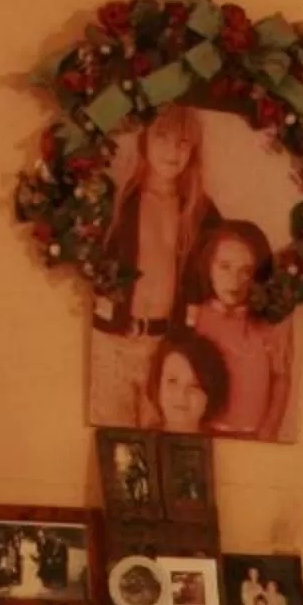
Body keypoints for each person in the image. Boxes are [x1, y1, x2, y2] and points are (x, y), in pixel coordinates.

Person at [87, 105, 219, 429]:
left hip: (164, 352)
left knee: (159, 438)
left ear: (194, 150)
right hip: (112, 343)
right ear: (144, 139)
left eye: (183, 142)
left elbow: (221, 268)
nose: (173, 151)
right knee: (111, 439)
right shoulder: (118, 202)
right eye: (162, 137)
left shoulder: (200, 211)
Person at [181, 219, 293, 440]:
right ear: (208, 266)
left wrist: (268, 431)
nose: (234, 280)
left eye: (246, 271)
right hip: (204, 434)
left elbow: (281, 378)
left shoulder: (272, 321)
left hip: (252, 435)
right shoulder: (197, 316)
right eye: (224, 267)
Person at [147, 327, 230, 435]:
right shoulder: (138, 443)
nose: (181, 395)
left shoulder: (224, 444)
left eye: (194, 385)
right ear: (157, 383)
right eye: (172, 381)